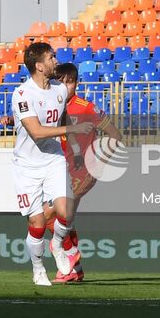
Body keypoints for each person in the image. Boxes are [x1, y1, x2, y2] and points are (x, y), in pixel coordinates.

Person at [10, 41, 94, 286]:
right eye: (51, 57)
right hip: (26, 165)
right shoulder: (23, 94)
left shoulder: (59, 89)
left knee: (66, 211)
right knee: (36, 223)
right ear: (39, 66)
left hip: (53, 159)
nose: (55, 61)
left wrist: (75, 146)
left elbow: (61, 116)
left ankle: (57, 244)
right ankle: (38, 269)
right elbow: (36, 132)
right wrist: (73, 128)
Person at [46, 62, 123, 283]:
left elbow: (115, 135)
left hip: (82, 171)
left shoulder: (86, 107)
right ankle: (74, 266)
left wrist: (100, 164)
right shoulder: (53, 108)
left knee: (54, 215)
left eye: (67, 82)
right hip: (59, 170)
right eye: (58, 82)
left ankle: (67, 258)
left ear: (75, 84)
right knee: (53, 219)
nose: (63, 87)